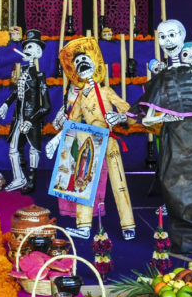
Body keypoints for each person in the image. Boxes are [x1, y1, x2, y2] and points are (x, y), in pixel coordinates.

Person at [137, 20, 192, 255]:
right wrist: (165, 119)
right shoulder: (162, 77)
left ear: (182, 36)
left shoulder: (191, 74)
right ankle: (184, 238)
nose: (167, 41)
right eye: (162, 37)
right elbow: (147, 118)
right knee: (175, 183)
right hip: (174, 138)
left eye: (172, 35)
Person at [46, 37, 136, 240]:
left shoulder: (106, 91)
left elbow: (128, 111)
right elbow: (72, 122)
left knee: (118, 182)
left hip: (109, 140)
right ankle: (84, 226)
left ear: (94, 62)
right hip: (90, 142)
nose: (81, 64)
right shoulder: (78, 97)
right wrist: (55, 140)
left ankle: (128, 224)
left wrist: (120, 116)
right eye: (77, 62)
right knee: (83, 182)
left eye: (84, 60)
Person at [0, 29, 50, 193]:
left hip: (31, 119)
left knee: (34, 148)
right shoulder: (24, 73)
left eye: (31, 47)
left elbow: (46, 106)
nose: (26, 50)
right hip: (18, 117)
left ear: (39, 52)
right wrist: (6, 104)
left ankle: (32, 180)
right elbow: (17, 92)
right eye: (25, 46)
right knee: (13, 149)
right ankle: (19, 178)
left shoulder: (40, 76)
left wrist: (30, 120)